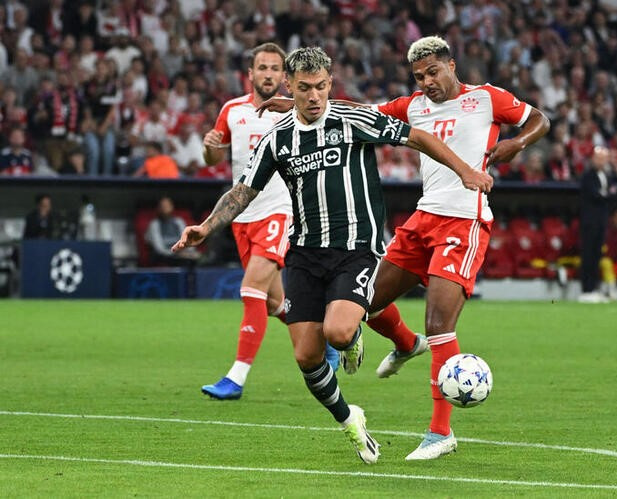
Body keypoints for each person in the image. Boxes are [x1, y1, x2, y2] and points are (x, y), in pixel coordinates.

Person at [172, 46, 490, 464]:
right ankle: (349, 419)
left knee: (338, 332)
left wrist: (464, 170)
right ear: (291, 86)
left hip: (355, 248)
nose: (314, 96)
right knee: (307, 355)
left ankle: (354, 330)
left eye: (322, 87)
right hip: (304, 252)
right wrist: (205, 227)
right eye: (304, 88)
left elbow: (418, 137)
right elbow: (241, 191)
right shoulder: (277, 139)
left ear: (330, 83)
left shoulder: (352, 118)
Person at [258, 36, 549, 460]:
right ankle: (405, 344)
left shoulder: (487, 99)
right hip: (422, 218)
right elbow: (353, 115)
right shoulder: (410, 105)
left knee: (440, 324)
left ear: (451, 65)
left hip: (464, 219)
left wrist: (518, 143)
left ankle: (440, 433)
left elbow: (539, 117)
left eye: (433, 72)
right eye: (419, 76)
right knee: (365, 301)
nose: (427, 82)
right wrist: (296, 106)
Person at [198, 42, 339, 402]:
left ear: (285, 77)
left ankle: (236, 377)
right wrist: (210, 144)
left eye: (275, 69)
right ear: (251, 73)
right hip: (242, 216)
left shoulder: (297, 111)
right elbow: (213, 157)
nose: (268, 74)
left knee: (250, 290)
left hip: (281, 210)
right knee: (278, 303)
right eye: (262, 67)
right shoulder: (231, 110)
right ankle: (326, 343)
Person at [578, 146, 615, 303]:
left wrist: (605, 195)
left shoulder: (607, 175)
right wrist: (607, 195)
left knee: (597, 256)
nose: (601, 161)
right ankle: (586, 289)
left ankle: (594, 288)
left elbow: (611, 195)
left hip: (601, 221)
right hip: (590, 222)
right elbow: (596, 195)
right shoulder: (588, 176)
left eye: (604, 158)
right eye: (598, 158)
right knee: (588, 255)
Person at [145, 196, 200, 266]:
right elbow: (159, 249)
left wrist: (190, 252)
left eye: (167, 205)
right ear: (158, 208)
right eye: (162, 206)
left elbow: (186, 240)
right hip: (163, 256)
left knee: (196, 258)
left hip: (180, 253)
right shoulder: (154, 224)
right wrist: (176, 254)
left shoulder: (179, 221)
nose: (165, 208)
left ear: (172, 207)